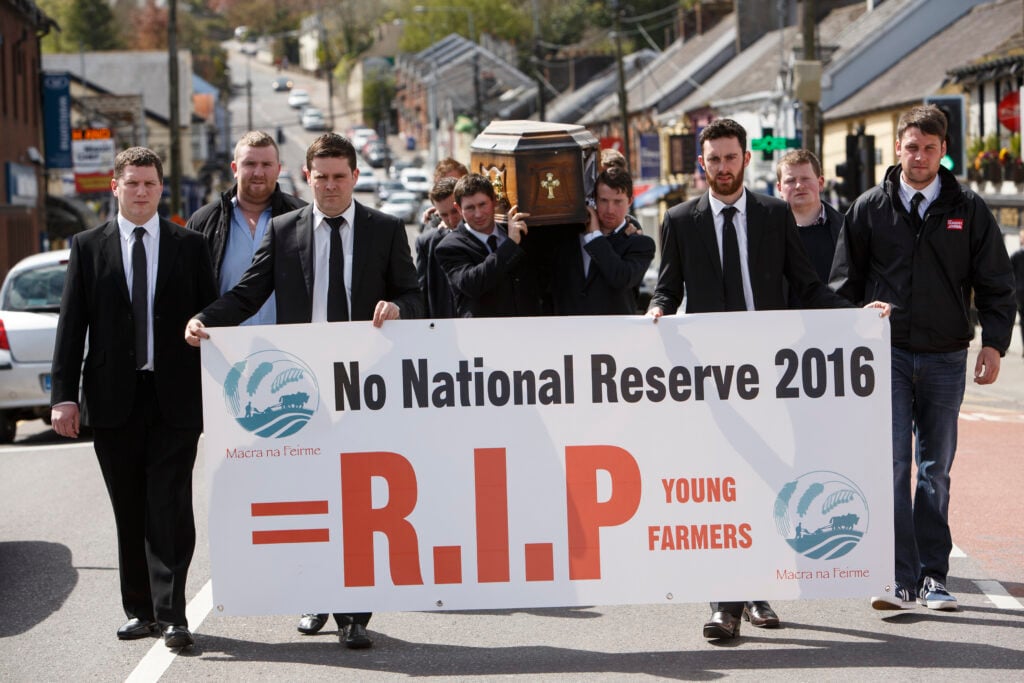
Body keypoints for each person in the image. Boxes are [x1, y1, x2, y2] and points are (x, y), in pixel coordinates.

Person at [647, 118, 890, 641]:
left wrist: (857, 317)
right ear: (702, 164)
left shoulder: (774, 215)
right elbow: (668, 288)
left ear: (745, 158)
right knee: (723, 484)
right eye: (714, 159)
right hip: (713, 380)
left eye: (731, 157)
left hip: (771, 376)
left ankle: (756, 593)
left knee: (769, 483)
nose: (723, 167)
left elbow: (807, 286)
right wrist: (658, 310)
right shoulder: (680, 220)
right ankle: (724, 606)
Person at [185, 133, 423, 648]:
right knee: (311, 495)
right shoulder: (284, 229)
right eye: (322, 177)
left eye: (339, 177)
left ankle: (355, 614)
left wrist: (399, 307)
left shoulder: (384, 229)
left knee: (356, 498)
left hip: (363, 384)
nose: (331, 186)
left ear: (355, 177)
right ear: (307, 178)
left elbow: (413, 292)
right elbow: (249, 292)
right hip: (302, 385)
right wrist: (206, 319)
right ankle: (316, 596)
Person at [830, 104, 1015, 612]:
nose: (919, 156)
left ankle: (934, 577)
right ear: (898, 148)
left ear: (943, 151)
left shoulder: (969, 208)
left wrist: (994, 342)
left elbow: (997, 283)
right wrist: (857, 322)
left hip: (946, 357)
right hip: (884, 355)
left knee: (935, 471)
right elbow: (842, 286)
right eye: (912, 147)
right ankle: (897, 578)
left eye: (930, 148)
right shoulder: (868, 208)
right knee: (891, 466)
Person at [50, 147, 218, 649]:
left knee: (169, 505)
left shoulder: (190, 246)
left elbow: (212, 315)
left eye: (149, 183)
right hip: (112, 400)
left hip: (176, 399)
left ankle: (173, 614)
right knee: (129, 508)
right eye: (132, 183)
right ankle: (140, 610)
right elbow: (71, 326)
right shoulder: (87, 247)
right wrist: (63, 396)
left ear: (161, 188)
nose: (141, 192)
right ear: (115, 187)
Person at [186, 130, 305, 325]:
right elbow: (189, 291)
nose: (258, 172)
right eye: (250, 164)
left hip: (288, 342)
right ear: (235, 168)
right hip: (223, 341)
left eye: (266, 165)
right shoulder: (204, 222)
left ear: (278, 169)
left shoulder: (302, 218)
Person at [551, 166, 655, 315]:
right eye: (604, 200)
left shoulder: (641, 244)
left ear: (630, 201)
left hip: (613, 328)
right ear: (594, 199)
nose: (610, 210)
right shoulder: (567, 237)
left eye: (618, 202)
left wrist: (595, 235)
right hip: (567, 326)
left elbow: (621, 278)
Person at [435, 173, 542, 317]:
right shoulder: (449, 247)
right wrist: (510, 245)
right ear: (459, 208)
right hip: (484, 329)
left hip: (529, 324)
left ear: (494, 201)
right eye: (470, 208)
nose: (478, 214)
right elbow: (473, 284)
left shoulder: (518, 232)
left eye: (482, 204)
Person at [775, 149, 844, 305]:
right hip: (783, 319)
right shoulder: (767, 234)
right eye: (790, 181)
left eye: (805, 179)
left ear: (820, 183)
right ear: (779, 188)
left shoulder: (848, 229)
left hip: (839, 317)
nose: (799, 186)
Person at [415, 177, 462, 318]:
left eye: (454, 212)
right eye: (444, 215)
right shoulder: (427, 242)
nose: (451, 220)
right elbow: (422, 290)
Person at [1011, 229, 1024, 355]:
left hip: (1020, 294)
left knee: (1023, 321)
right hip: (1020, 293)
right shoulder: (1016, 256)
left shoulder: (1016, 256)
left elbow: (1009, 274)